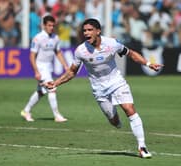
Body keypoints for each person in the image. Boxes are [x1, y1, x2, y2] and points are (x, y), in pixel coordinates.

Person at [43, 18, 163, 158]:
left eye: (89, 30)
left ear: (98, 31)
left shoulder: (112, 43)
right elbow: (72, 72)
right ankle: (116, 120)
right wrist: (55, 83)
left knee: (129, 109)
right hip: (99, 89)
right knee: (113, 120)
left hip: (116, 82)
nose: (86, 33)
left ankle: (142, 147)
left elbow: (131, 54)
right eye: (84, 30)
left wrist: (148, 63)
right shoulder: (81, 51)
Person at [21, 15, 69, 122]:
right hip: (41, 67)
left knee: (41, 91)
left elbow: (58, 52)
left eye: (53, 25)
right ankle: (57, 116)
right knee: (52, 88)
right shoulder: (38, 38)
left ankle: (26, 111)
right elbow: (32, 56)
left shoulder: (55, 38)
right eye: (49, 25)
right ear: (44, 26)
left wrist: (65, 65)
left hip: (48, 67)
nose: (51, 27)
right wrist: (36, 71)